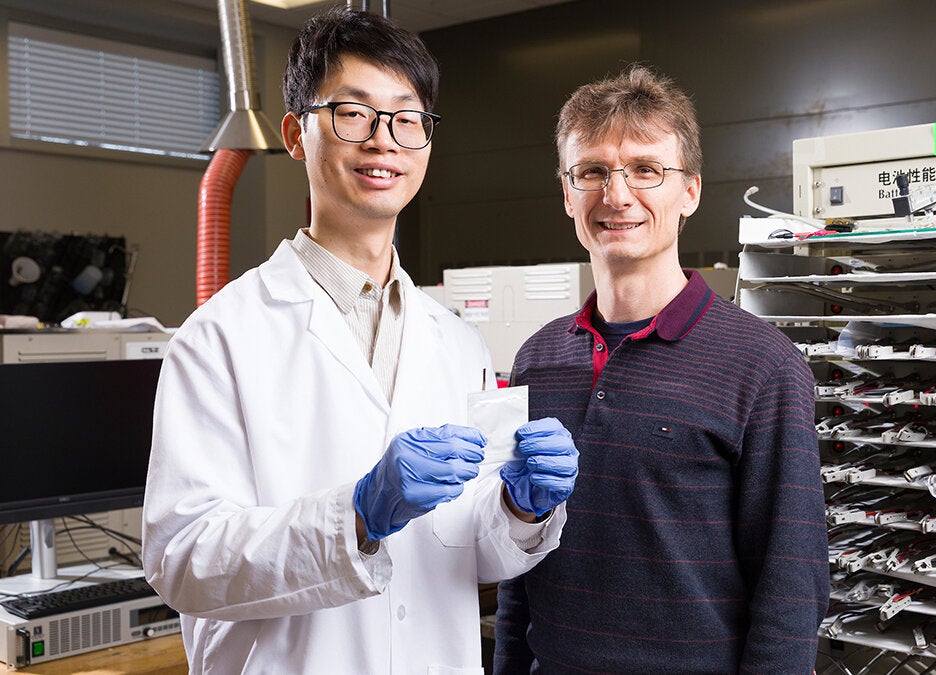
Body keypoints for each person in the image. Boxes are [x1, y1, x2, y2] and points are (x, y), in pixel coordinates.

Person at [141, 7, 577, 674]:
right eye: (353, 113)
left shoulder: (457, 340)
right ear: (295, 133)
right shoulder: (220, 337)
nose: (384, 141)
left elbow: (465, 549)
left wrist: (520, 507)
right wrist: (357, 515)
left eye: (407, 119)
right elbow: (182, 559)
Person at [492, 65, 829, 672]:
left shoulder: (763, 366)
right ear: (567, 194)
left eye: (646, 170)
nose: (617, 195)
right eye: (592, 171)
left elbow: (791, 592)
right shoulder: (538, 359)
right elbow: (519, 563)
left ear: (690, 192)